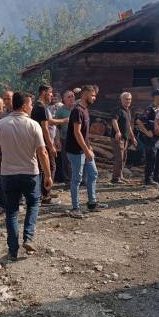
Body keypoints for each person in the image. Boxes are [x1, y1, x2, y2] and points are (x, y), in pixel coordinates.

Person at [0, 92, 52, 260]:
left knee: (12, 212)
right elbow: (42, 152)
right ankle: (28, 237)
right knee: (33, 203)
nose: (31, 108)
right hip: (30, 173)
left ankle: (13, 250)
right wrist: (48, 175)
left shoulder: (1, 124)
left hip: (8, 174)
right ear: (24, 106)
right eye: (30, 105)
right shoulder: (33, 125)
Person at [66, 85, 106, 219]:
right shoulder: (77, 111)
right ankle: (75, 208)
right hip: (76, 151)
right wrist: (86, 150)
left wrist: (89, 147)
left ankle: (92, 203)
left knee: (93, 173)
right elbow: (77, 133)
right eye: (93, 95)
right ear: (84, 94)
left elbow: (85, 133)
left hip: (84, 149)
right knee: (77, 179)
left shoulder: (85, 110)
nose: (94, 98)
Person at [31, 85, 67, 205]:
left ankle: (44, 192)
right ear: (44, 93)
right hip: (43, 143)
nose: (52, 95)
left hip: (39, 142)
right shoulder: (40, 107)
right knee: (51, 167)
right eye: (50, 93)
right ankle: (46, 196)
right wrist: (50, 145)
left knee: (42, 168)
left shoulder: (39, 106)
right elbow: (45, 127)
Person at [136, 89, 159, 186]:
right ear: (156, 97)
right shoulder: (150, 108)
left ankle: (156, 178)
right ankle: (148, 179)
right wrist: (146, 132)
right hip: (149, 139)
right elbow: (139, 121)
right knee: (151, 158)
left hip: (158, 138)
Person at [110, 92, 138, 184]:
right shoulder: (118, 110)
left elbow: (129, 126)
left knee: (124, 158)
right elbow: (114, 120)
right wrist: (118, 131)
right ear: (121, 100)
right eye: (126, 99)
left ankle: (120, 176)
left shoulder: (128, 111)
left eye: (129, 99)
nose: (128, 101)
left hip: (125, 139)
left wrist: (133, 137)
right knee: (119, 158)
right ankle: (115, 179)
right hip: (118, 138)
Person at [54, 90, 75, 183]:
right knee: (66, 160)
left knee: (77, 159)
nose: (71, 98)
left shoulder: (77, 109)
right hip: (65, 138)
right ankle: (68, 180)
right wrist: (57, 139)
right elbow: (56, 127)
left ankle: (77, 179)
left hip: (77, 138)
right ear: (64, 99)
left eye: (72, 96)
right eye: (68, 97)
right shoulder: (60, 110)